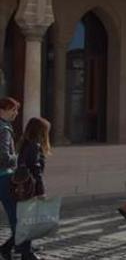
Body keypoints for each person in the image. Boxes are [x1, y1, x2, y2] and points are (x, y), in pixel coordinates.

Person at [12, 117, 52, 259]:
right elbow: (36, 170)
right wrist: (41, 191)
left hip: (24, 186)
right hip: (31, 187)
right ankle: (27, 254)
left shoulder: (24, 143)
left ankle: (22, 251)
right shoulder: (34, 145)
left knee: (25, 219)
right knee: (28, 220)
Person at [0, 97, 21, 260]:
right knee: (15, 215)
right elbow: (5, 157)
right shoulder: (4, 129)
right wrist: (18, 157)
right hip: (4, 177)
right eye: (13, 109)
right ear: (3, 110)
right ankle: (20, 246)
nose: (16, 113)